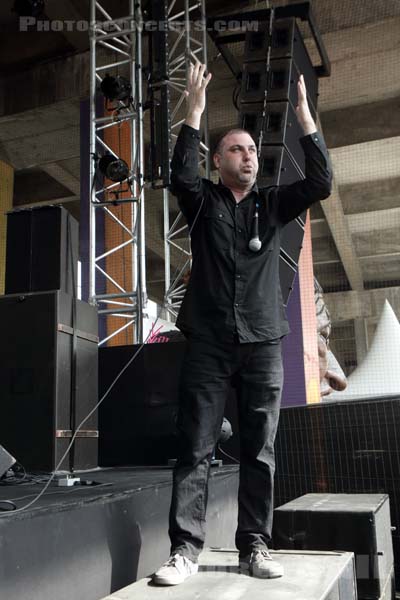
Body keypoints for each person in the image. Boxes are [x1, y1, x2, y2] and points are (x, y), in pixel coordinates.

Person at [153, 62, 332, 585]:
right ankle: (184, 550)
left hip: (263, 343)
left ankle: (254, 545)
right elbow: (179, 175)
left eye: (253, 150)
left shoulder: (272, 205)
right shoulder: (203, 201)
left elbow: (320, 181)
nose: (248, 156)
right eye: (237, 149)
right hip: (208, 343)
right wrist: (195, 111)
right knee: (196, 447)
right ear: (219, 159)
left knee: (259, 448)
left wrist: (305, 118)